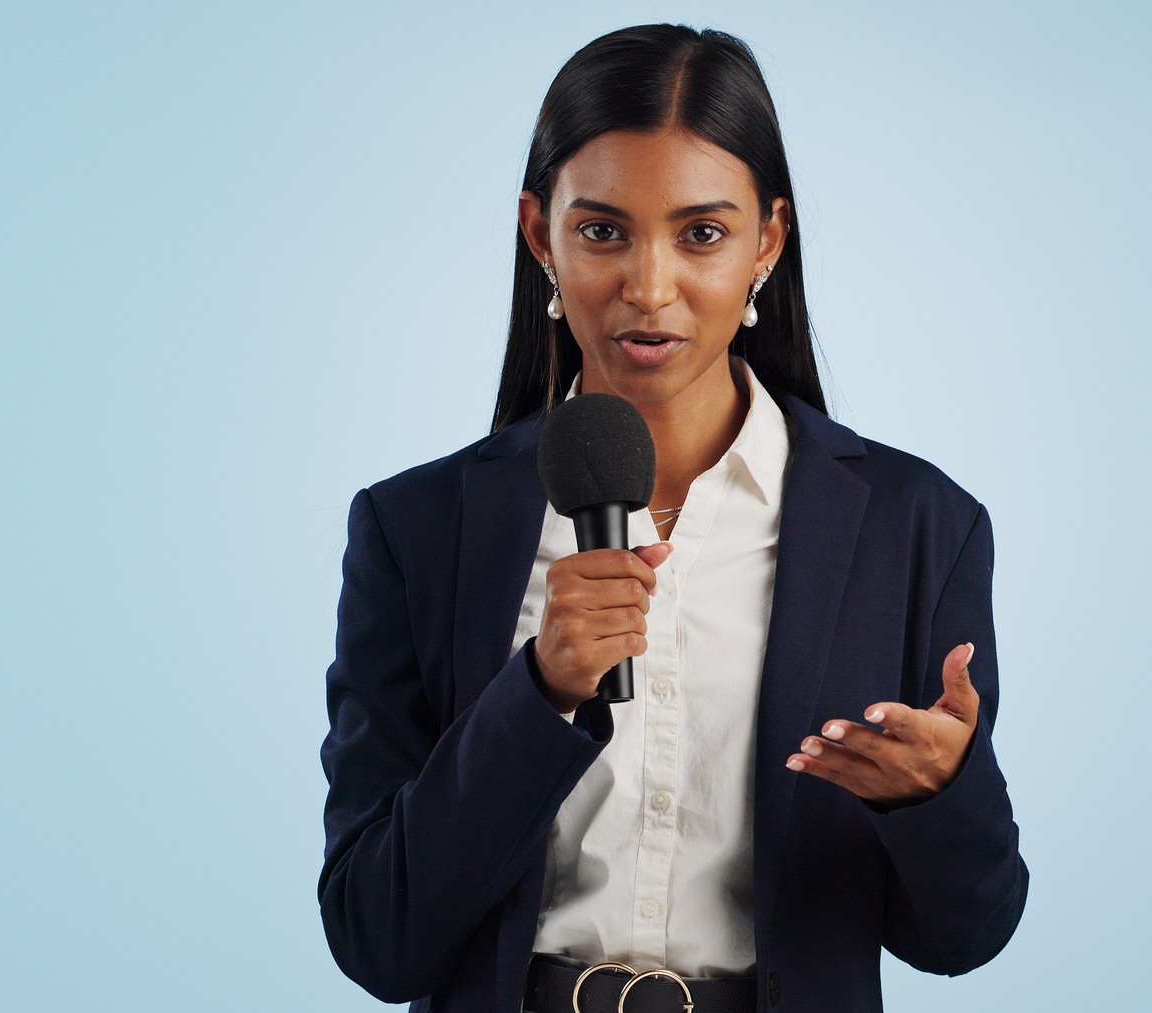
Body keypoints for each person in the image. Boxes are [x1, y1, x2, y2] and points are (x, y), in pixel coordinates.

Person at [319, 24, 1028, 1013]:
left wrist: (933, 797)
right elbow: (374, 937)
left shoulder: (917, 528)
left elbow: (965, 935)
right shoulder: (417, 529)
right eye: (603, 230)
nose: (649, 288)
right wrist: (540, 691)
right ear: (541, 235)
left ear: (767, 243)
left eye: (702, 233)